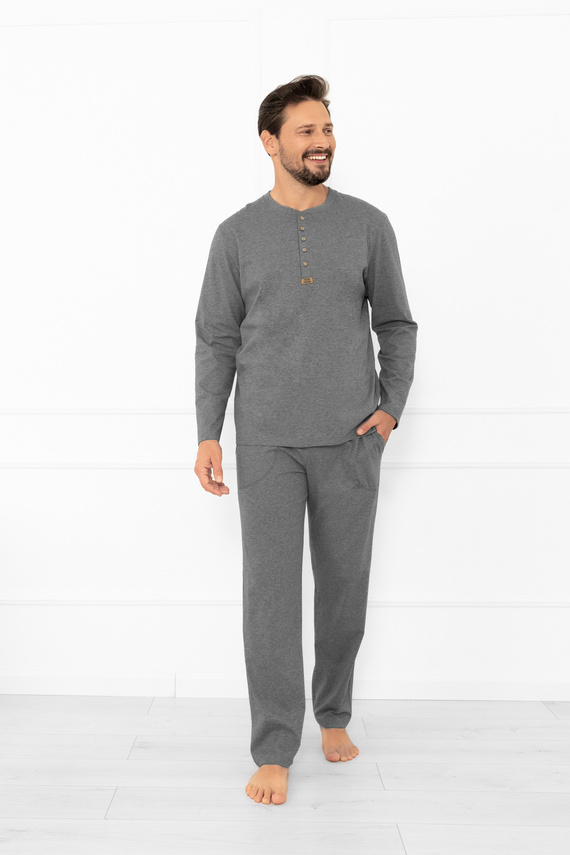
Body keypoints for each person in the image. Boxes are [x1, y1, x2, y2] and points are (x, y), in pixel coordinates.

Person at [194, 75, 418, 806]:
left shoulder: (368, 224)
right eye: (306, 131)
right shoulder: (235, 235)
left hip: (350, 439)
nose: (322, 142)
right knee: (270, 597)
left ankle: (334, 711)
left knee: (345, 588)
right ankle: (274, 746)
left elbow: (397, 324)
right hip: (266, 444)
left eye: (327, 129)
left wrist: (389, 410)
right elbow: (216, 339)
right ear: (270, 142)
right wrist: (208, 432)